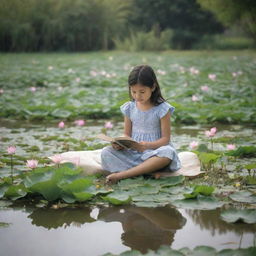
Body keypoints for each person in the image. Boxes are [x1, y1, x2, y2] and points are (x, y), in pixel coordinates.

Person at [101, 65, 181, 183]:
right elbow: (127, 135)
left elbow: (165, 139)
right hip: (134, 153)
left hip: (155, 152)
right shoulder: (129, 108)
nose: (137, 96)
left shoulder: (163, 109)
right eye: (133, 92)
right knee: (106, 153)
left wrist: (147, 146)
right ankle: (147, 171)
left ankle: (122, 175)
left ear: (153, 87)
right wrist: (120, 144)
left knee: (168, 153)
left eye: (142, 92)